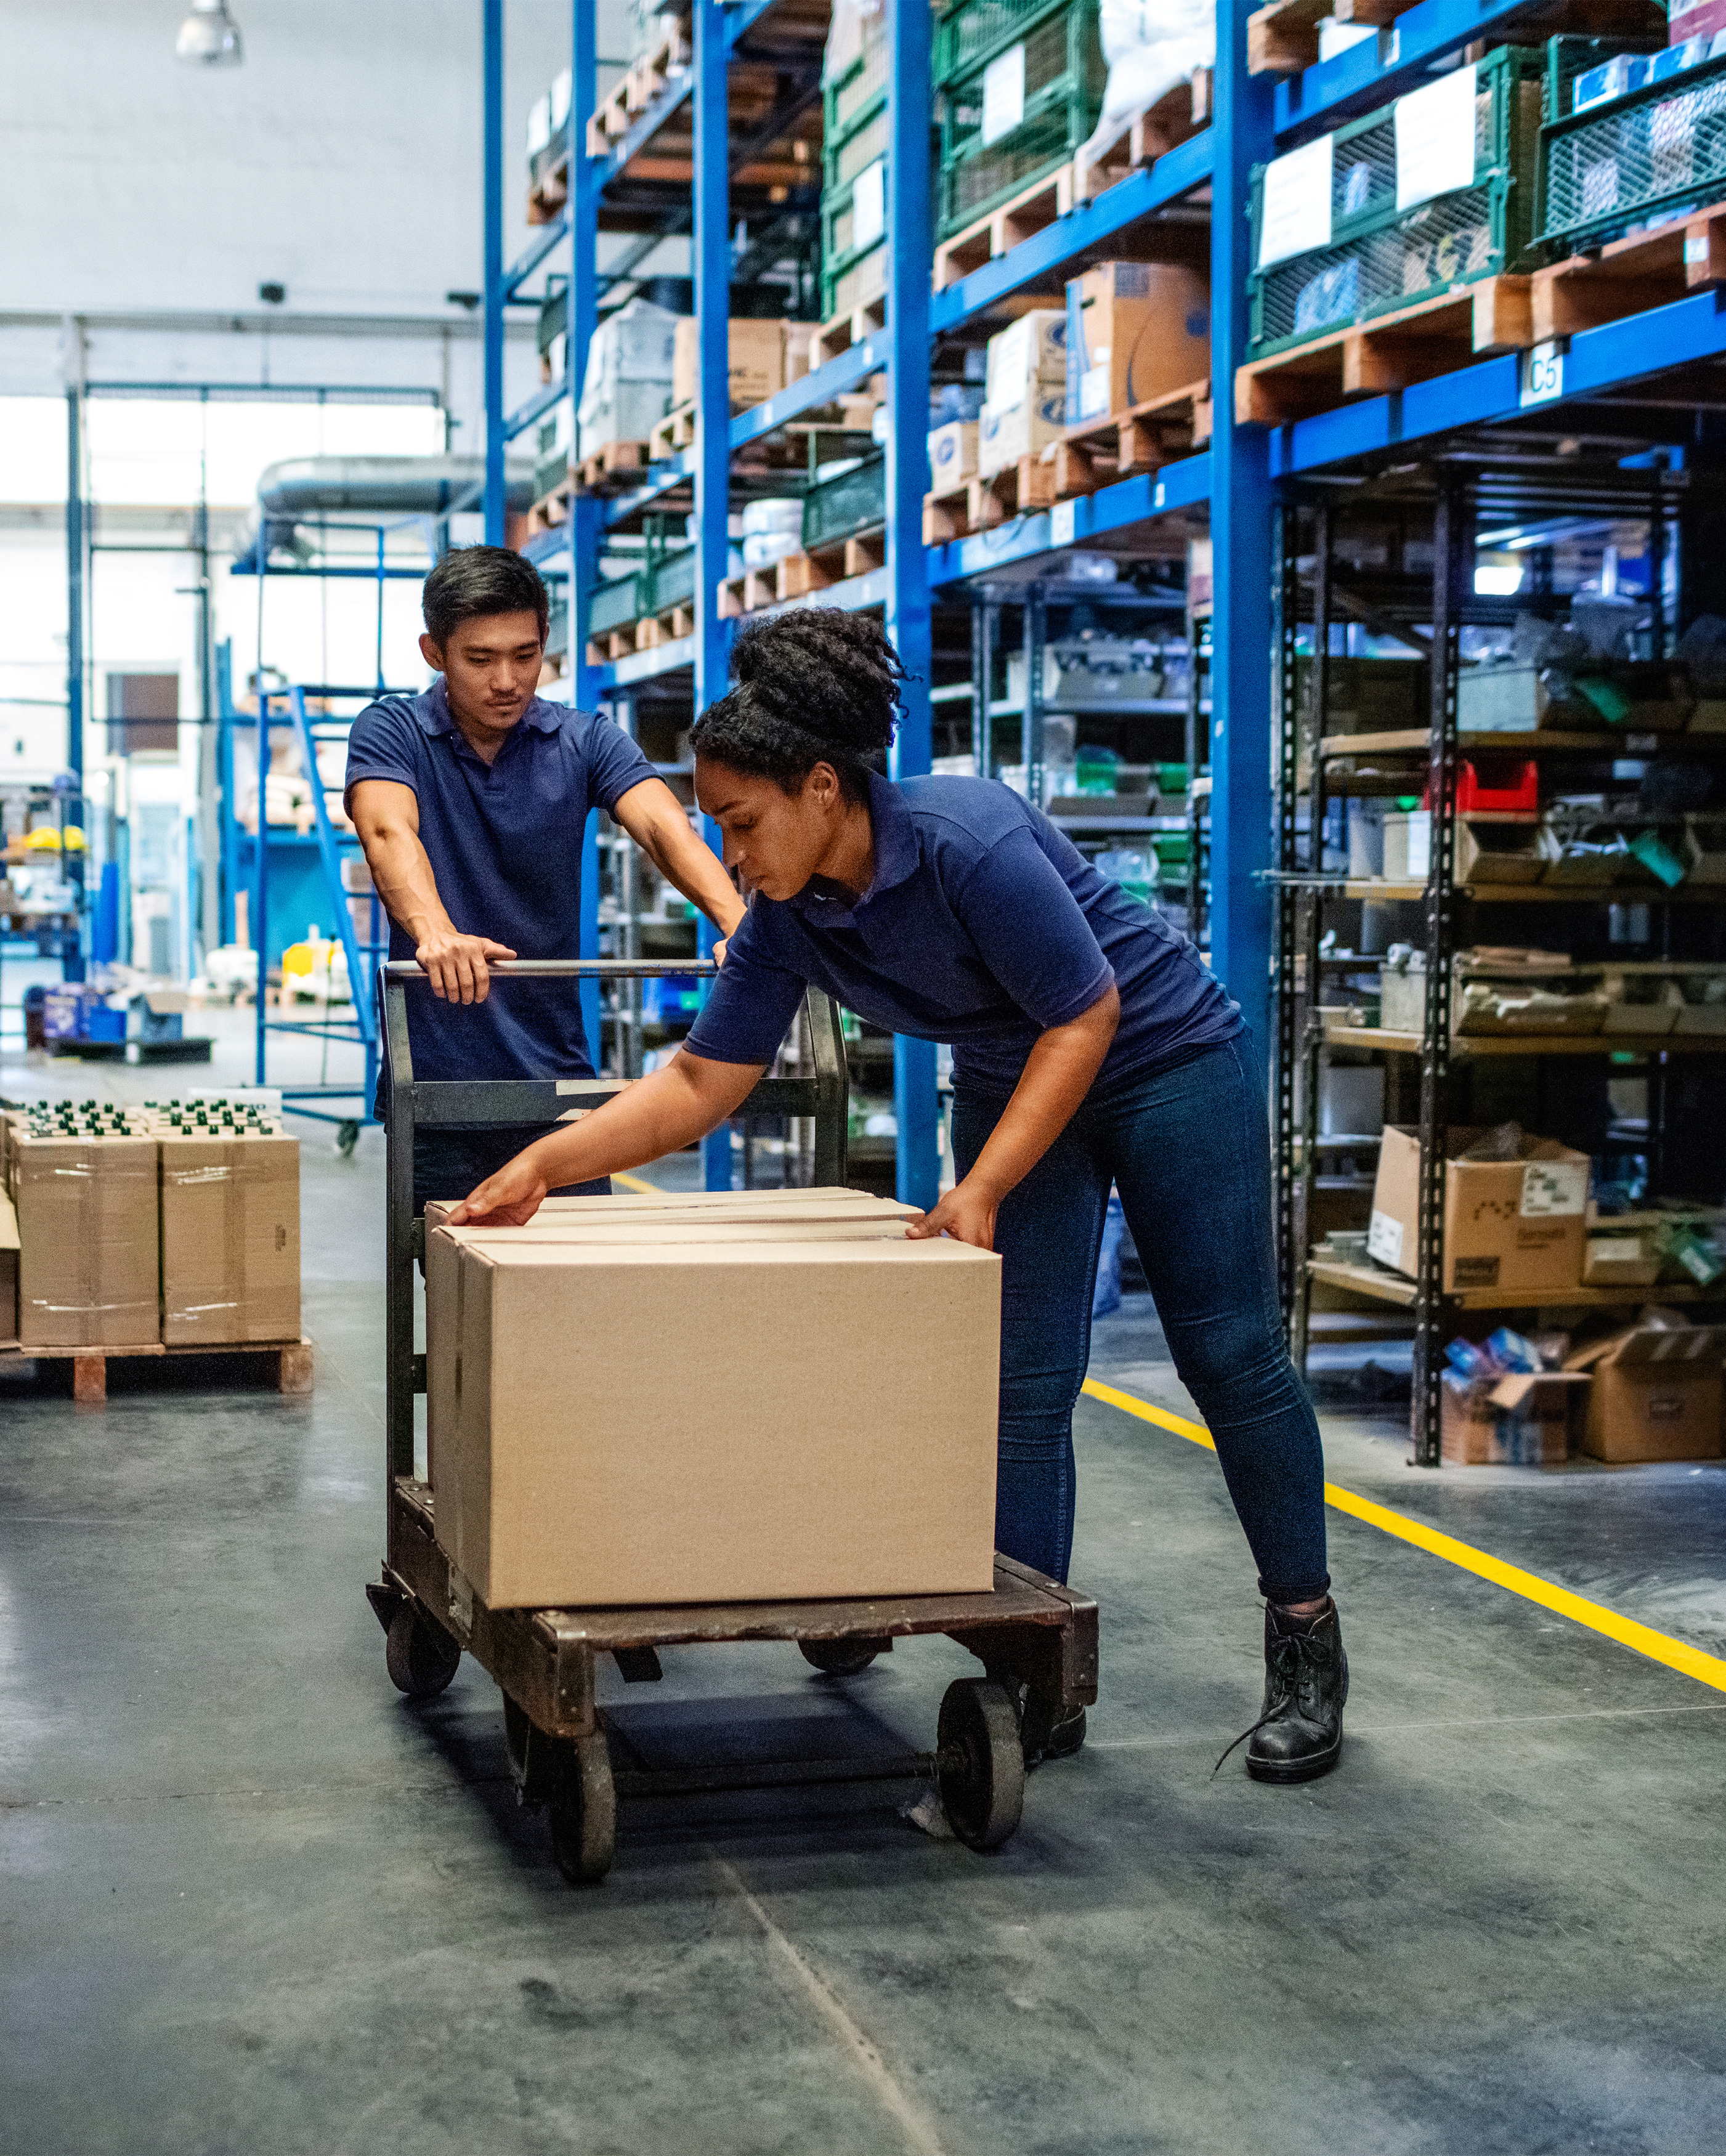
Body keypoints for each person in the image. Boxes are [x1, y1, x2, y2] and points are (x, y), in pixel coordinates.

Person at [446, 611, 1347, 1783]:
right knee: (1020, 1381)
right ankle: (1031, 1675)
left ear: (822, 787)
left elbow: (1086, 1014)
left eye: (742, 821)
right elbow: (700, 1083)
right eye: (715, 825)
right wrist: (545, 1165)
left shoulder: (962, 840)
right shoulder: (785, 921)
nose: (728, 852)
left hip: (1161, 1063)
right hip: (1012, 1079)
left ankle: (1306, 1641)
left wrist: (976, 1190)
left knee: (1226, 1354)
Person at [344, 545, 744, 1208]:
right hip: (440, 1089)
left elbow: (663, 829)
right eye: (480, 658)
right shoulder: (393, 732)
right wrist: (436, 934)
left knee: (571, 1289)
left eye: (525, 655)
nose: (507, 679)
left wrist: (739, 924)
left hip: (557, 1082)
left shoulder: (586, 739)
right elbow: (388, 830)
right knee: (457, 1289)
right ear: (433, 651)